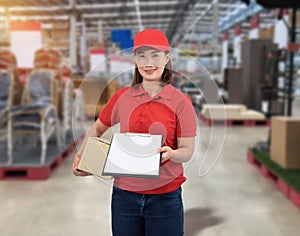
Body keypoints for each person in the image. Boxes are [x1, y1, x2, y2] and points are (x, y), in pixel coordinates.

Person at [73, 28, 196, 236]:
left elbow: (187, 150)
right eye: (142, 55)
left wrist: (173, 154)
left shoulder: (181, 102)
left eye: (155, 55)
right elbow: (96, 129)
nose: (149, 62)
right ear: (135, 60)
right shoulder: (123, 97)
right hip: (124, 197)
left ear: (167, 57)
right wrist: (82, 157)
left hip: (165, 198)